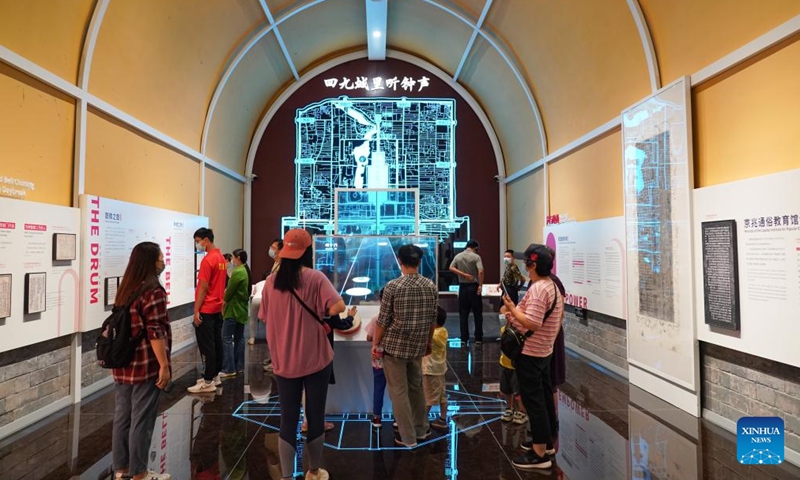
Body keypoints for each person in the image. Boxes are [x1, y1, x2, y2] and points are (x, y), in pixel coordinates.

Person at [258, 228, 345, 480]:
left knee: (288, 418)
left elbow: (265, 316)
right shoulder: (316, 278)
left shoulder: (271, 282)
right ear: (308, 251)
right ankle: (314, 470)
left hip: (283, 360)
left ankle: (286, 475)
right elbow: (337, 306)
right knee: (315, 416)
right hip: (316, 358)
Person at [111, 241, 172, 480]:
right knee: (142, 420)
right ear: (150, 262)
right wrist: (165, 365)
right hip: (145, 364)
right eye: (160, 258)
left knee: (122, 418)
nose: (162, 262)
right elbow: (155, 331)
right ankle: (140, 473)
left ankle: (122, 469)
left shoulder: (126, 287)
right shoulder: (153, 290)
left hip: (122, 363)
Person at [501, 244, 564, 470]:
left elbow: (533, 323)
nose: (525, 266)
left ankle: (540, 454)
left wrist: (512, 309)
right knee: (544, 397)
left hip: (531, 352)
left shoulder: (539, 289)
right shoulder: (552, 286)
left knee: (533, 400)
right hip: (543, 351)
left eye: (527, 262)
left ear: (534, 264)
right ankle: (546, 442)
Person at [372, 244, 439, 447]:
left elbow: (383, 321)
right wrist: (427, 342)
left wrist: (376, 344)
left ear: (399, 261)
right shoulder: (430, 285)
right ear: (419, 262)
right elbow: (432, 319)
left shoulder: (393, 286)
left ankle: (407, 437)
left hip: (394, 347)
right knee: (416, 387)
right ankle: (421, 430)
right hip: (418, 345)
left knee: (398, 391)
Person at [188, 228, 226, 394]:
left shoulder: (208, 260)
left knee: (207, 346)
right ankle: (215, 375)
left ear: (205, 240)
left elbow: (203, 287)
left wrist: (196, 310)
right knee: (216, 343)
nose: (198, 244)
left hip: (207, 308)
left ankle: (208, 380)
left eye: (198, 241)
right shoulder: (221, 258)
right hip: (217, 307)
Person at [546, 246, 567, 452]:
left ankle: (552, 418)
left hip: (548, 337)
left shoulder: (549, 284)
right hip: (551, 335)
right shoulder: (553, 283)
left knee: (550, 380)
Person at [220, 249, 251, 378]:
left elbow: (229, 292)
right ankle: (239, 367)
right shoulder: (245, 271)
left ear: (238, 258)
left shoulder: (237, 272)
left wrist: (223, 300)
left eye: (232, 257)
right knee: (239, 338)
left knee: (226, 338)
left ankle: (229, 368)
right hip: (241, 310)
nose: (231, 260)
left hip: (233, 310)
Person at [449, 239, 484, 344]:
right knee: (477, 313)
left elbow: (451, 267)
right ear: (476, 248)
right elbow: (481, 271)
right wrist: (480, 285)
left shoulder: (458, 256)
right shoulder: (476, 257)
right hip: (473, 286)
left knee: (463, 314)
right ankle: (478, 338)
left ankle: (464, 338)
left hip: (463, 287)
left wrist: (463, 275)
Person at [498, 314, 527, 425]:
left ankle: (521, 411)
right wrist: (509, 322)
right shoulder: (505, 331)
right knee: (506, 389)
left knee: (518, 391)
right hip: (504, 364)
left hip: (516, 366)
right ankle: (509, 408)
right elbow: (505, 332)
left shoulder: (521, 334)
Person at [423, 306, 449, 431]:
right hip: (438, 369)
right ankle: (442, 419)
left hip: (431, 369)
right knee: (441, 396)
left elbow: (435, 340)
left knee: (429, 397)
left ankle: (421, 421)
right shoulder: (442, 331)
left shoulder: (439, 332)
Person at [365, 289, 387, 428]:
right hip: (394, 359)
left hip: (378, 360)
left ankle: (377, 419)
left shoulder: (375, 318)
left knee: (378, 389)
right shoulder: (397, 317)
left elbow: (369, 337)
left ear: (380, 300)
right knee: (398, 391)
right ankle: (398, 419)